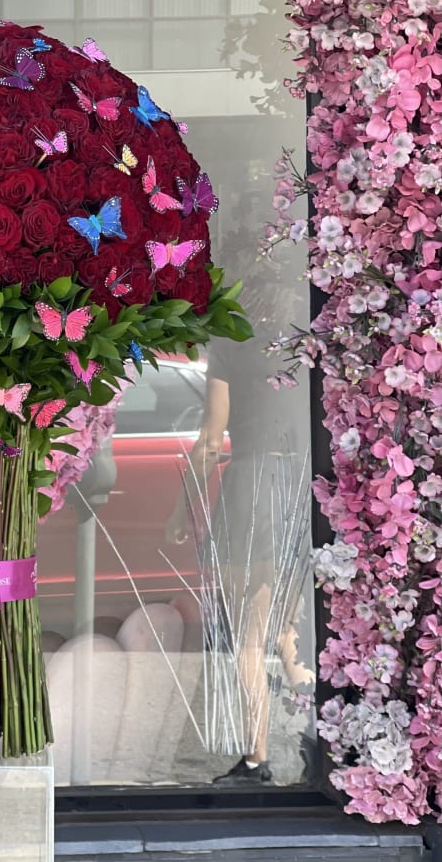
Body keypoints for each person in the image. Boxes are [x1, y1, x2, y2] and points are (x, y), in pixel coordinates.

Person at [166, 330, 314, 785]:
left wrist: (180, 508)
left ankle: (256, 761)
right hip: (301, 487)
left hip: (251, 489)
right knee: (287, 629)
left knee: (248, 636)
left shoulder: (231, 346)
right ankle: (331, 741)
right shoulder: (305, 336)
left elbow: (211, 438)